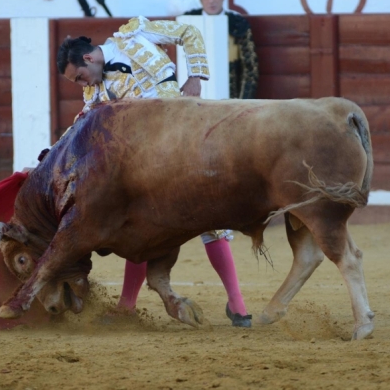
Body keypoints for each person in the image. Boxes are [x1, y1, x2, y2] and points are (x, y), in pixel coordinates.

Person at [56, 16, 252, 327]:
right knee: (140, 227)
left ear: (89, 58)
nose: (83, 85)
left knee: (210, 217)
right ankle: (126, 306)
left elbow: (188, 30)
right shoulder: (94, 93)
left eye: (79, 77)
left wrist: (196, 77)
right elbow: (83, 125)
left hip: (184, 135)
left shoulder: (134, 35)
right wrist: (54, 153)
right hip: (147, 161)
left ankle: (238, 305)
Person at [186, 0, 259, 99]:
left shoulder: (237, 23)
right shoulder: (188, 21)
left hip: (230, 94)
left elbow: (250, 68)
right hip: (196, 96)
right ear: (200, 0)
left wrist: (242, 103)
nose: (211, 1)